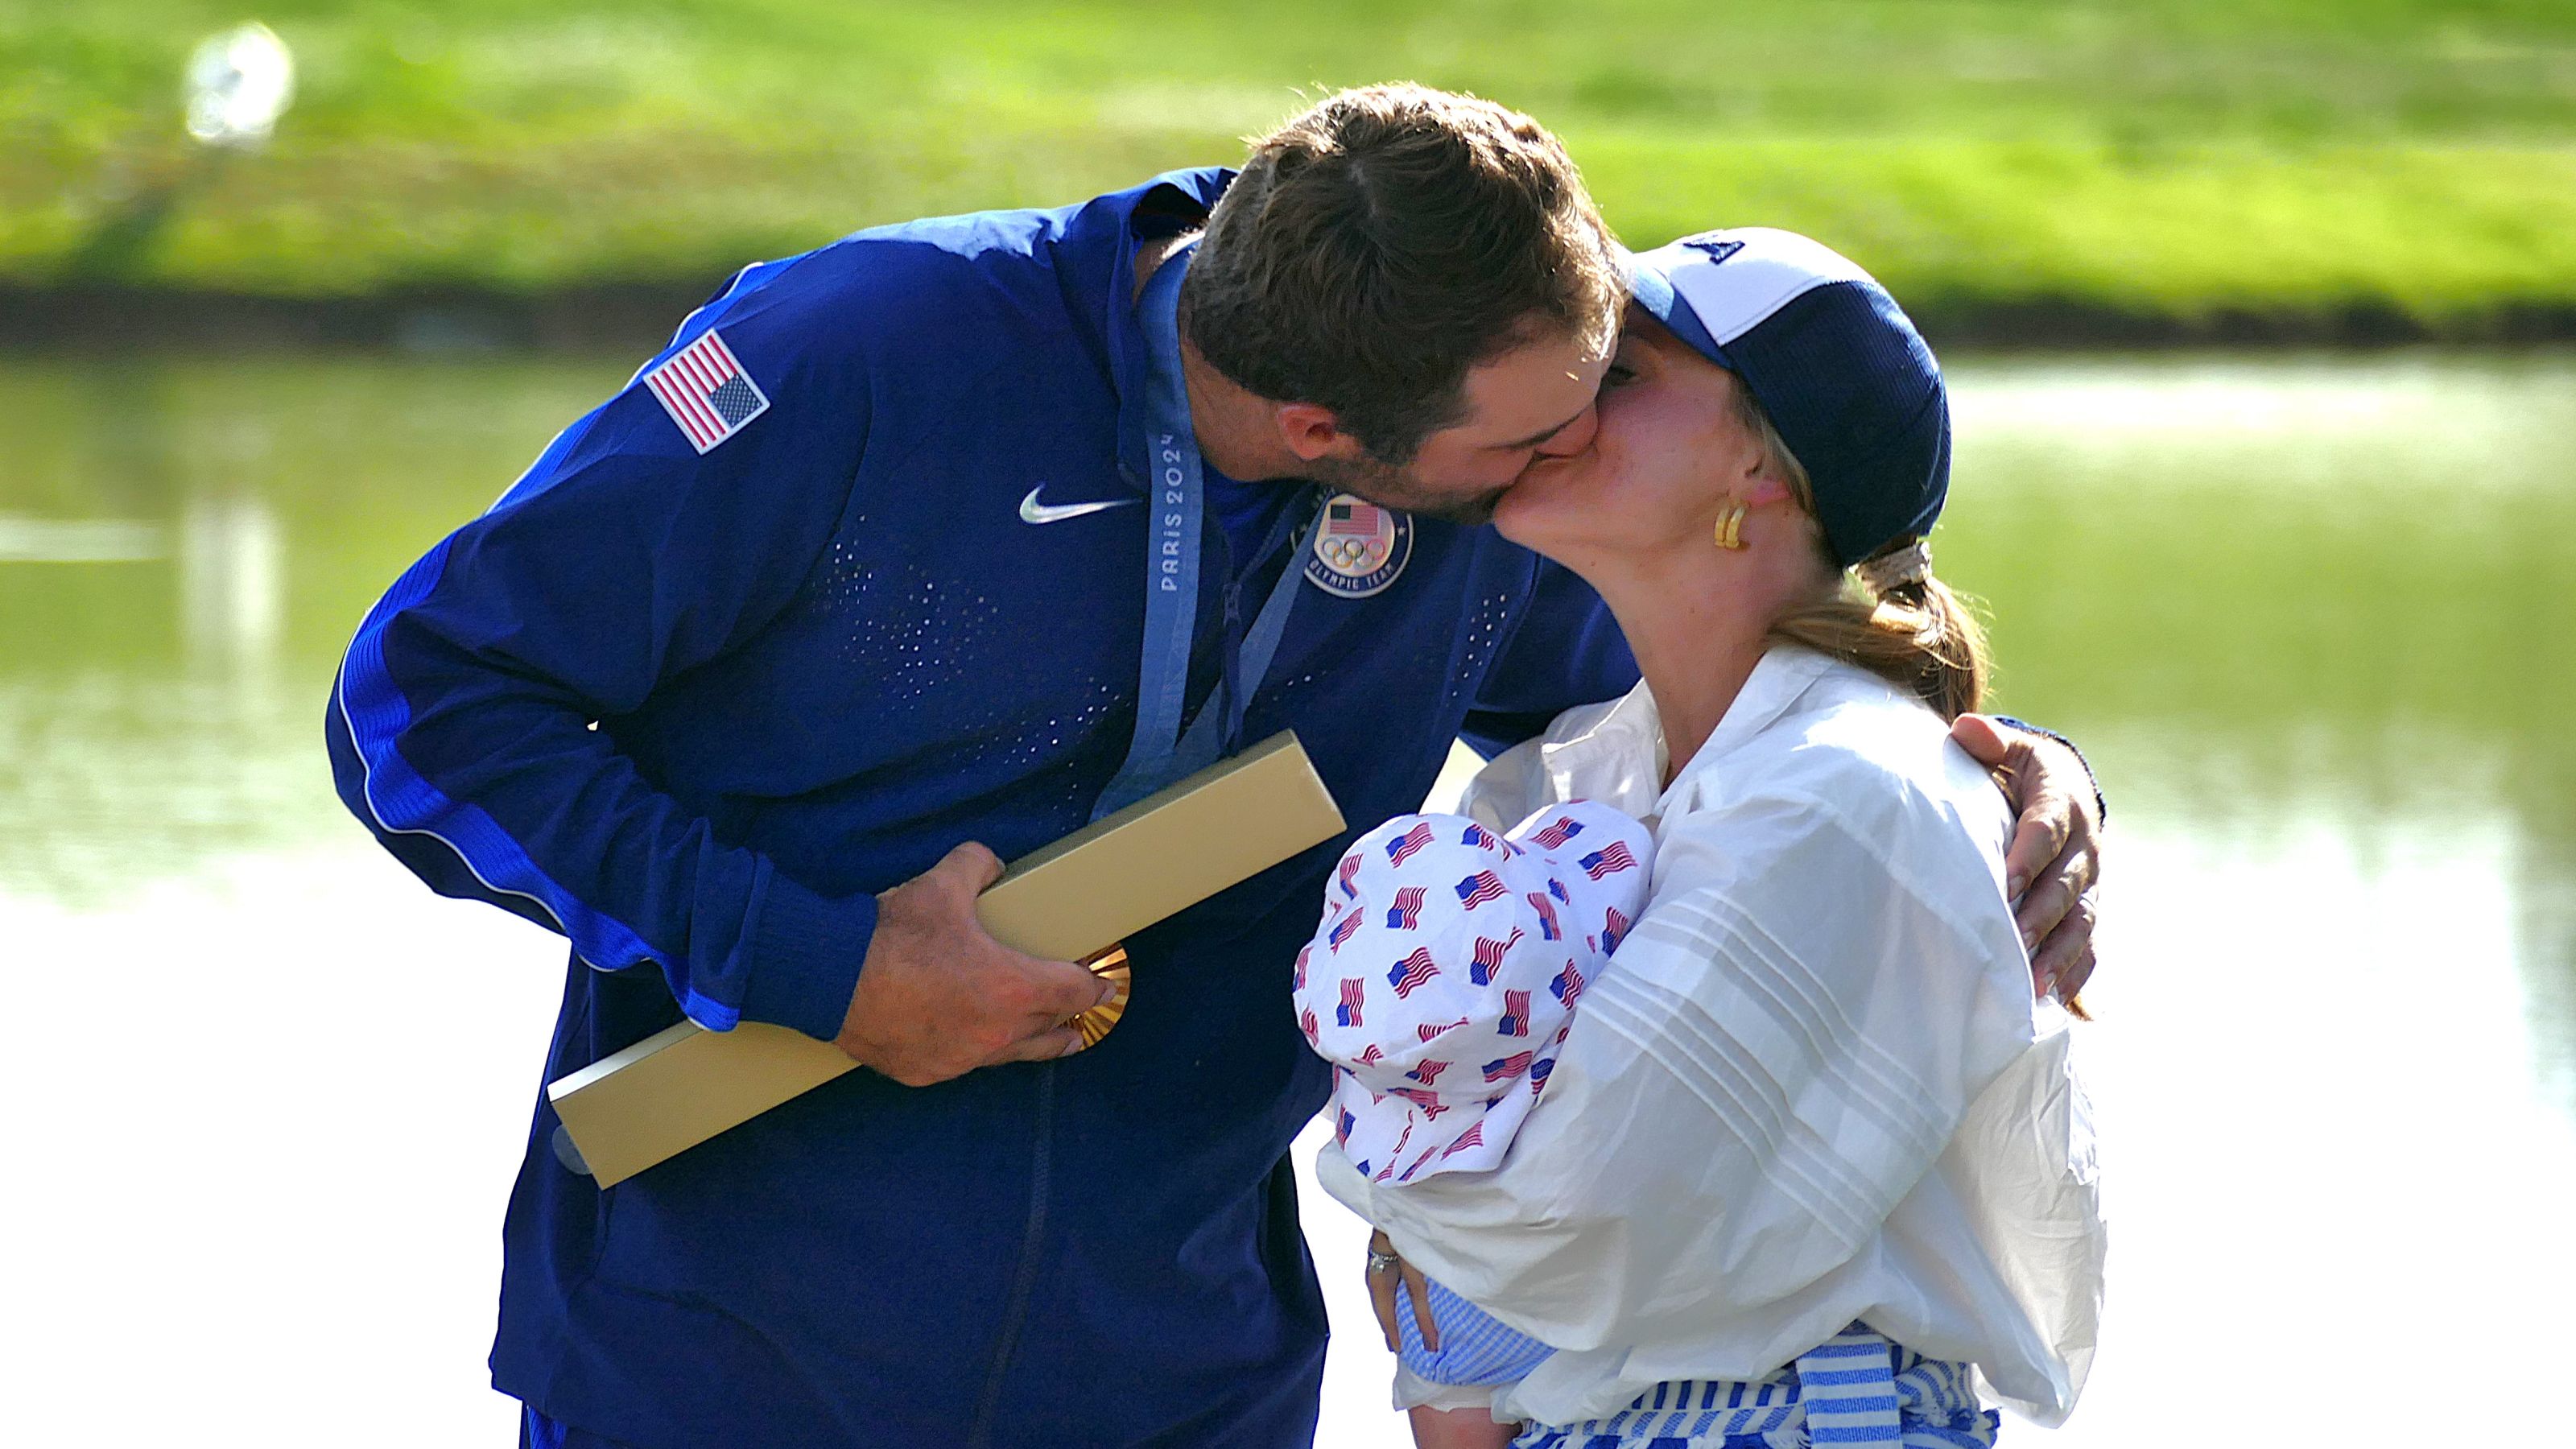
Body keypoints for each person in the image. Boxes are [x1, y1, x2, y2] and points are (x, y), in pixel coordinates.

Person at [325, 85, 2104, 1447]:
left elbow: (1726, 706)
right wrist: (822, 962)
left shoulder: (1488, 471)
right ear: (1331, 438)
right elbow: (420, 704)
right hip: (719, 1365)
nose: (1574, 451)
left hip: (1190, 1380)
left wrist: (2017, 772)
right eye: (1535, 434)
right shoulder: (859, 357)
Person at [1318, 228, 2106, 1449]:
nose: (1565, 401)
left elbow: (1574, 1229)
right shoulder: (1567, 777)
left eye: (1620, 374)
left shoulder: (1846, 792)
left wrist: (1387, 1200)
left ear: (1762, 478)